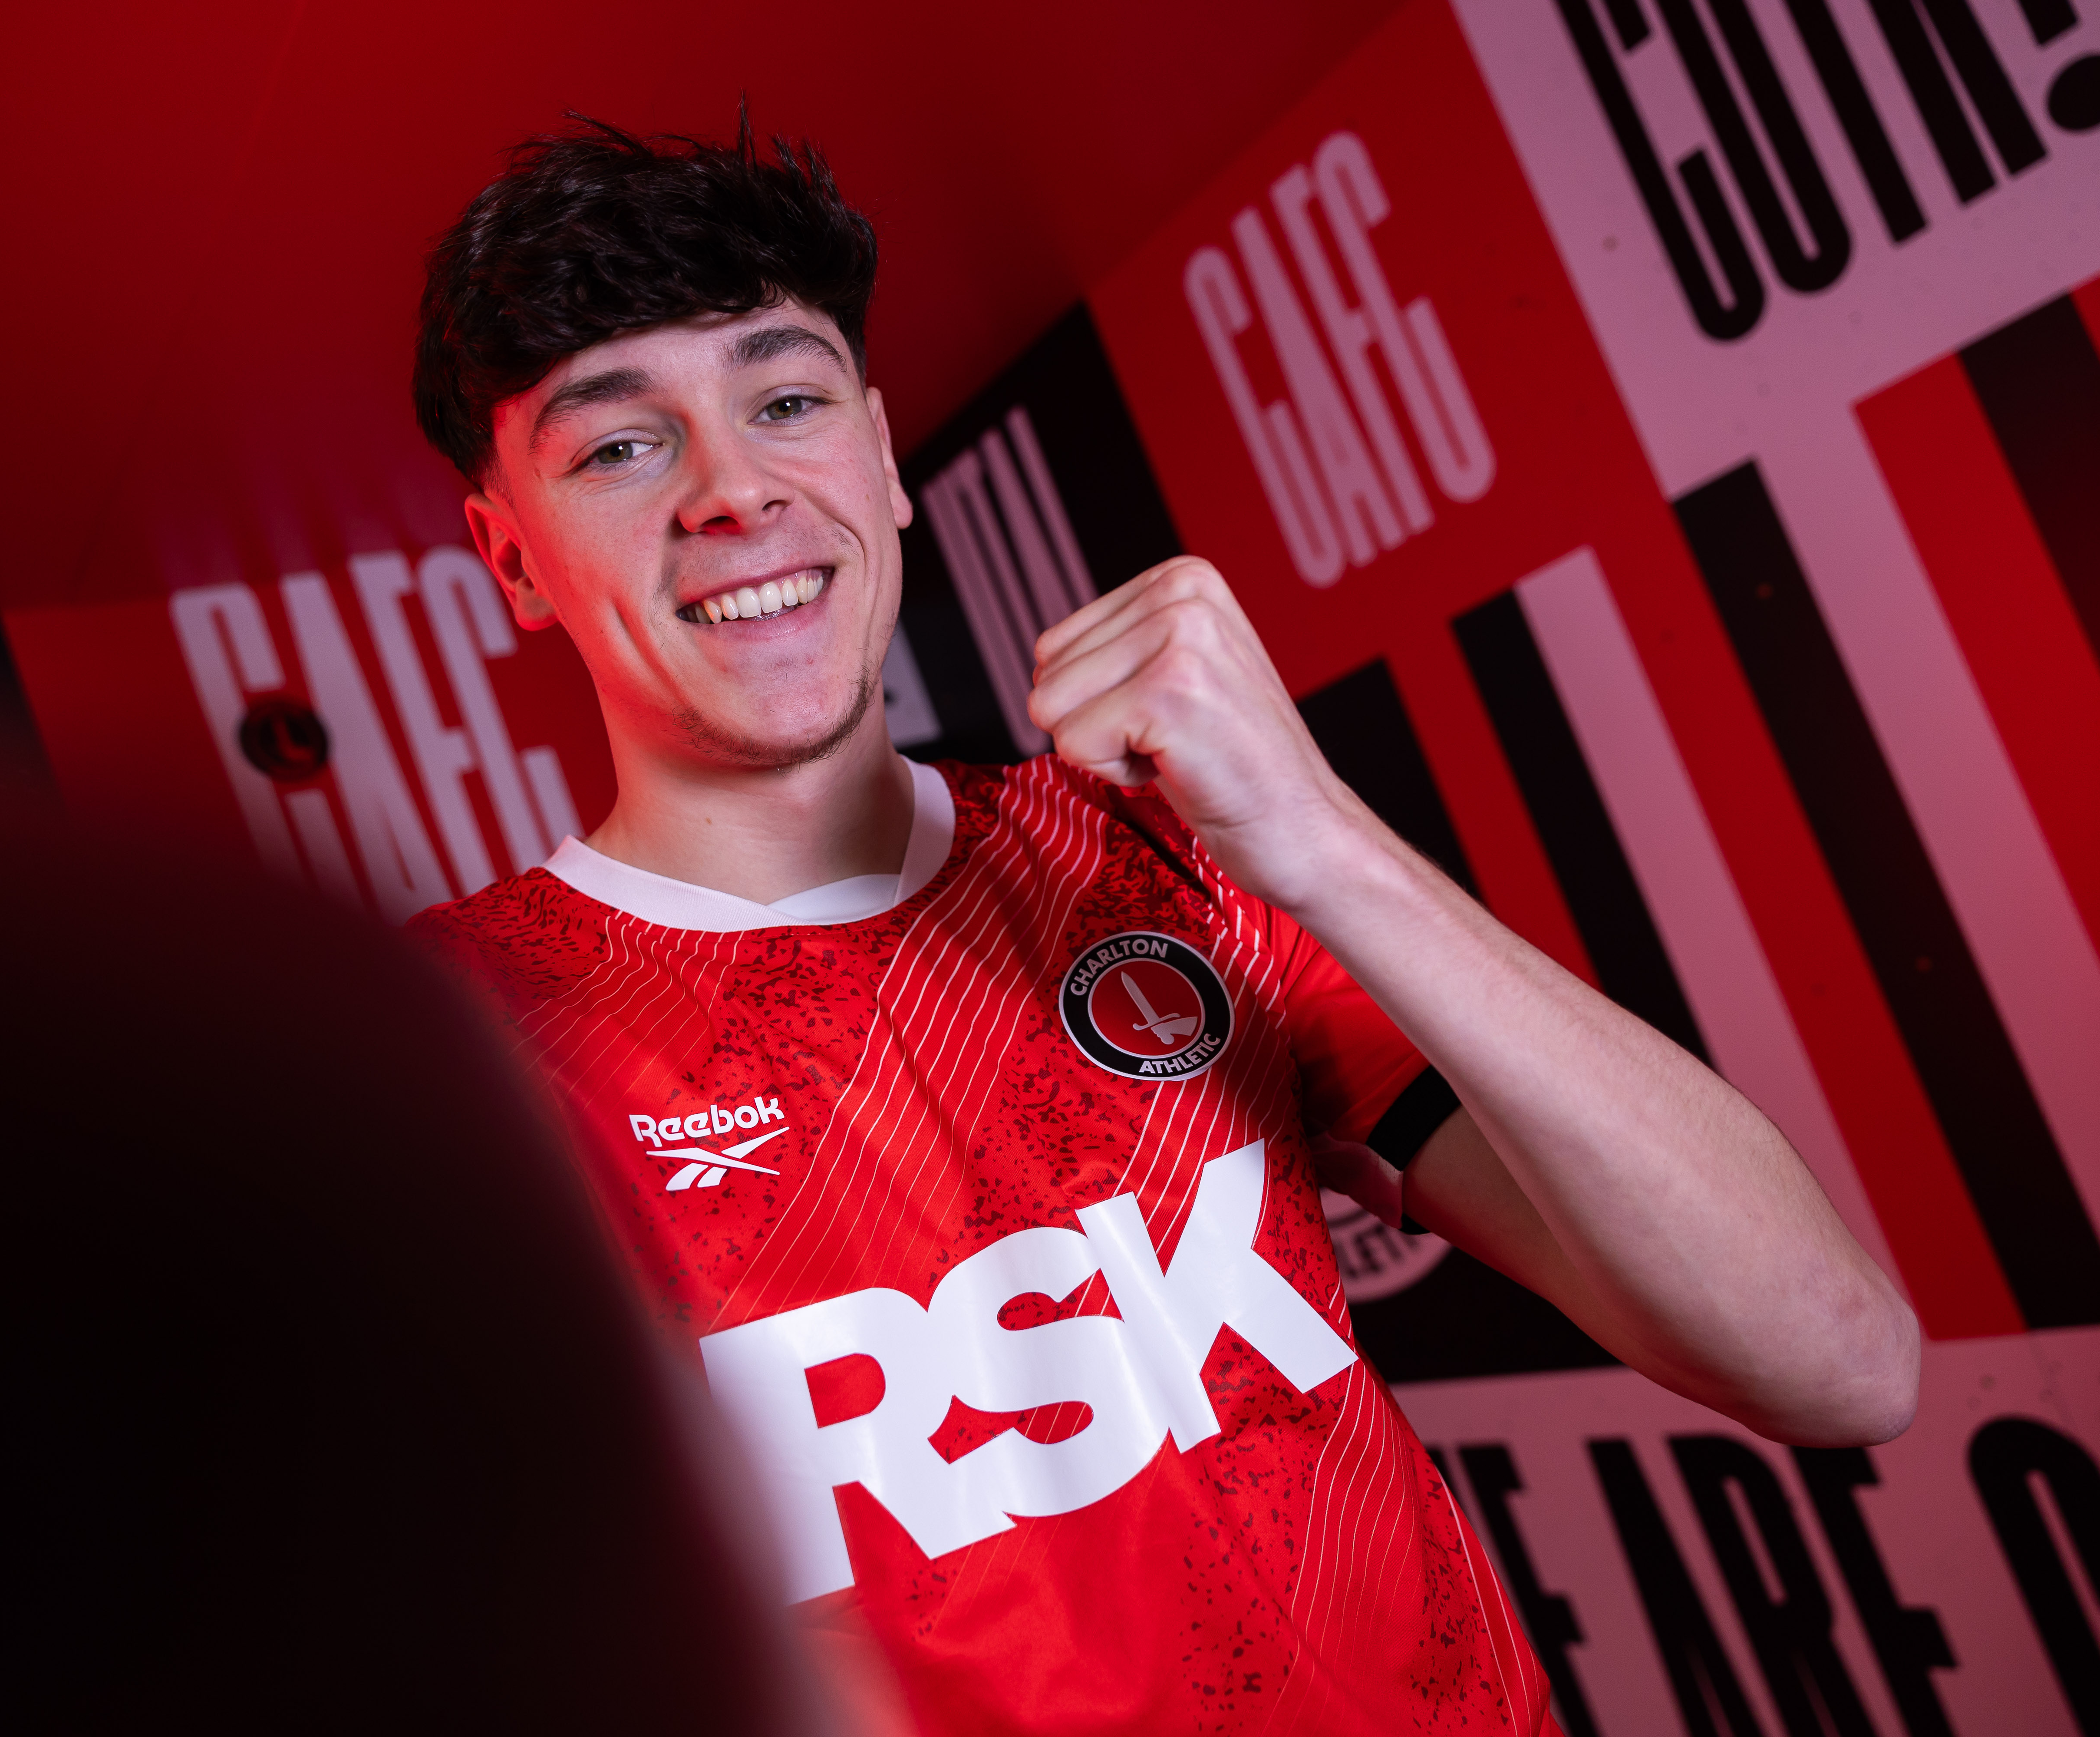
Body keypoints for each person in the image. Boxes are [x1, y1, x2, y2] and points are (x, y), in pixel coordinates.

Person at [406, 117, 1919, 1736]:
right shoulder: (433, 1062)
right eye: (619, 447)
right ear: (513, 558)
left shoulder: (1159, 853)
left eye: (786, 403)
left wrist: (1323, 843)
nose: (733, 492)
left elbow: (1839, 1367)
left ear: (883, 460)